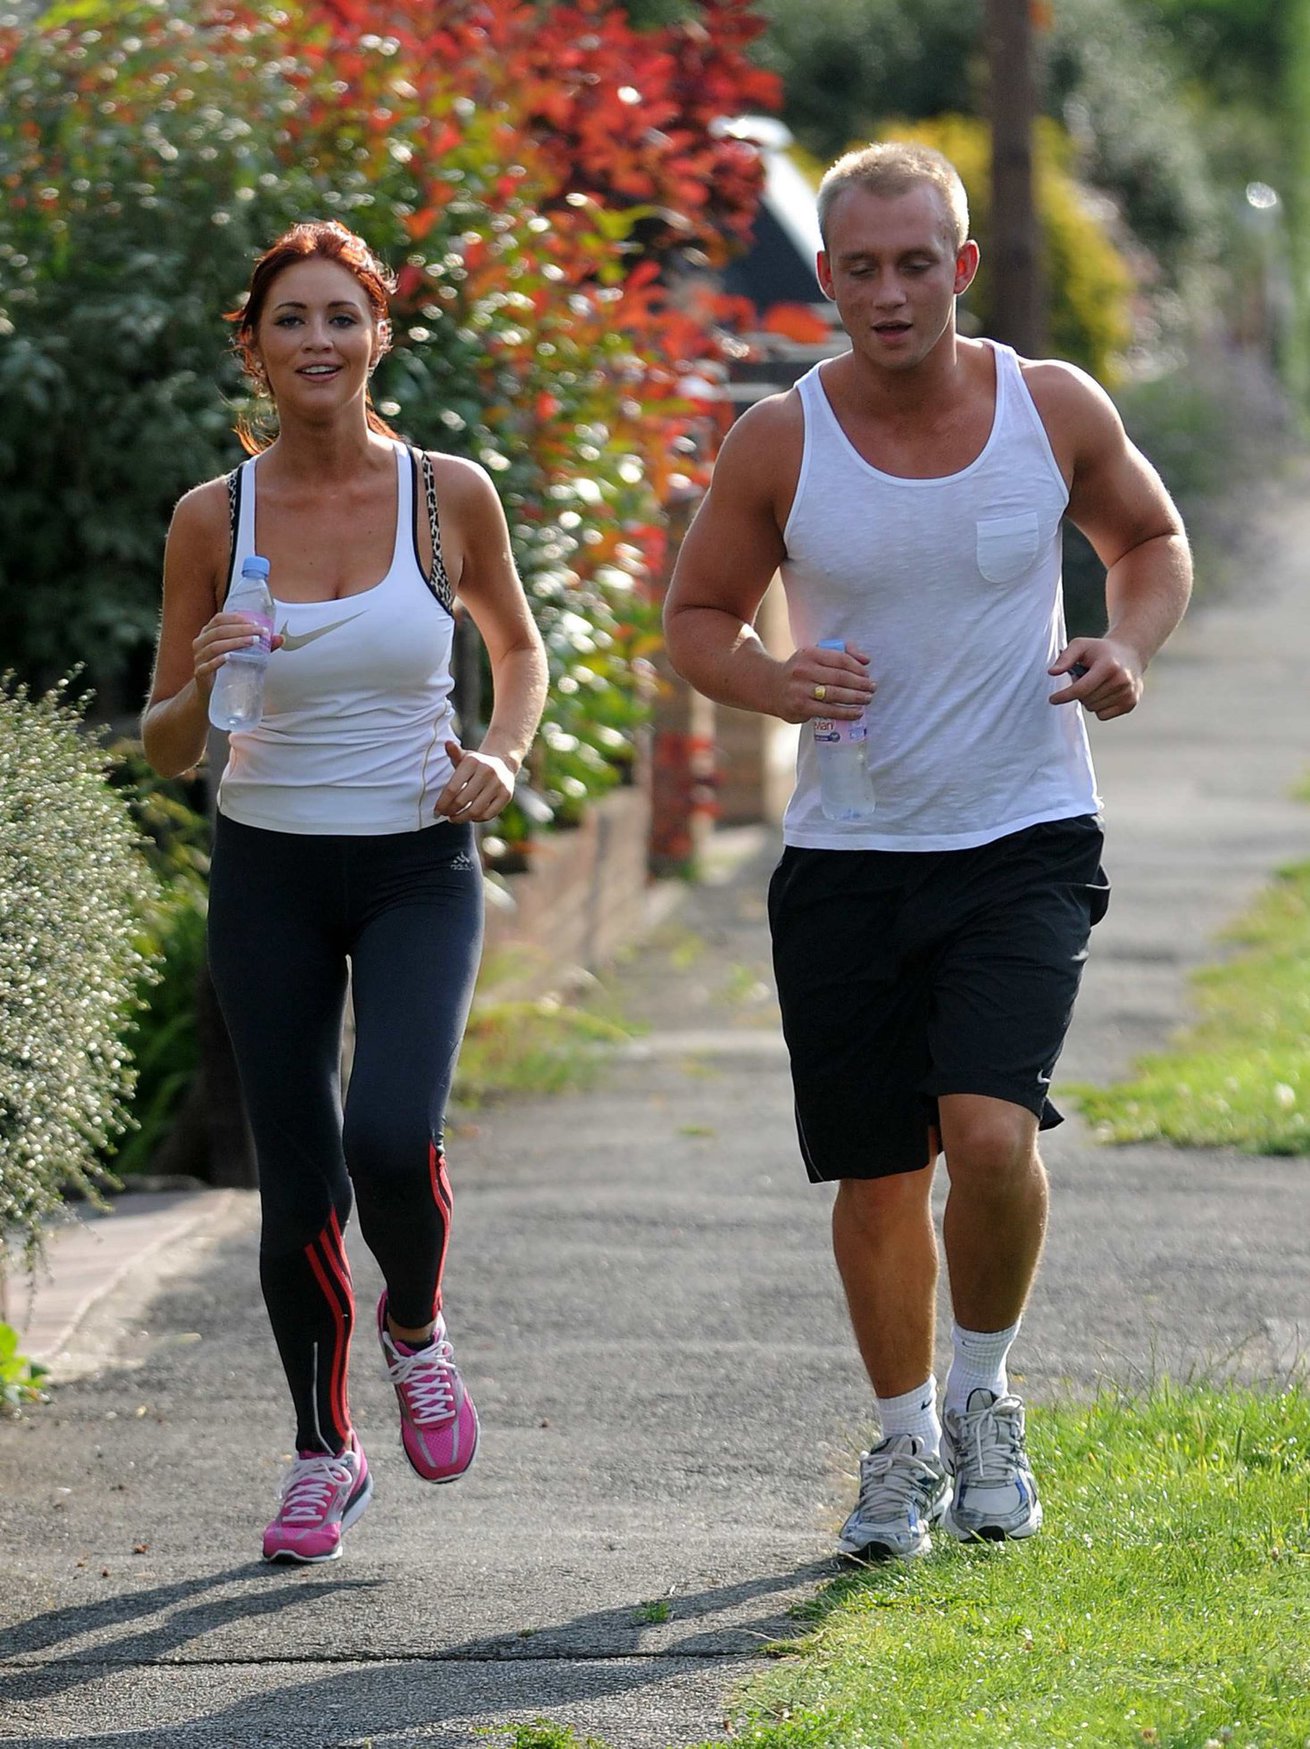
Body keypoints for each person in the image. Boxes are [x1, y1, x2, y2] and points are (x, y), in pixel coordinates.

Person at [663, 143, 1191, 1560]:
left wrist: (1124, 642)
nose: (888, 293)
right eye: (860, 267)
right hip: (850, 849)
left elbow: (1146, 536)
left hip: (1022, 829)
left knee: (989, 1134)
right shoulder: (780, 437)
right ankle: (899, 1440)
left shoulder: (1048, 406)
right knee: (880, 1173)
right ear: (826, 277)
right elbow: (698, 616)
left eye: (915, 263)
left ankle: (981, 1396)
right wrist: (774, 680)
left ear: (957, 269)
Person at [142, 220, 548, 1564]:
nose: (316, 342)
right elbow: (163, 743)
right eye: (289, 320)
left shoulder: (447, 495)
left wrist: (499, 752)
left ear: (378, 334)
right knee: (298, 1177)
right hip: (268, 868)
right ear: (250, 346)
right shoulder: (215, 515)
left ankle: (417, 1326)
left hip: (415, 858)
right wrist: (200, 679)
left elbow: (518, 649)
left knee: (389, 1130)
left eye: (341, 317)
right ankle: (324, 1451)